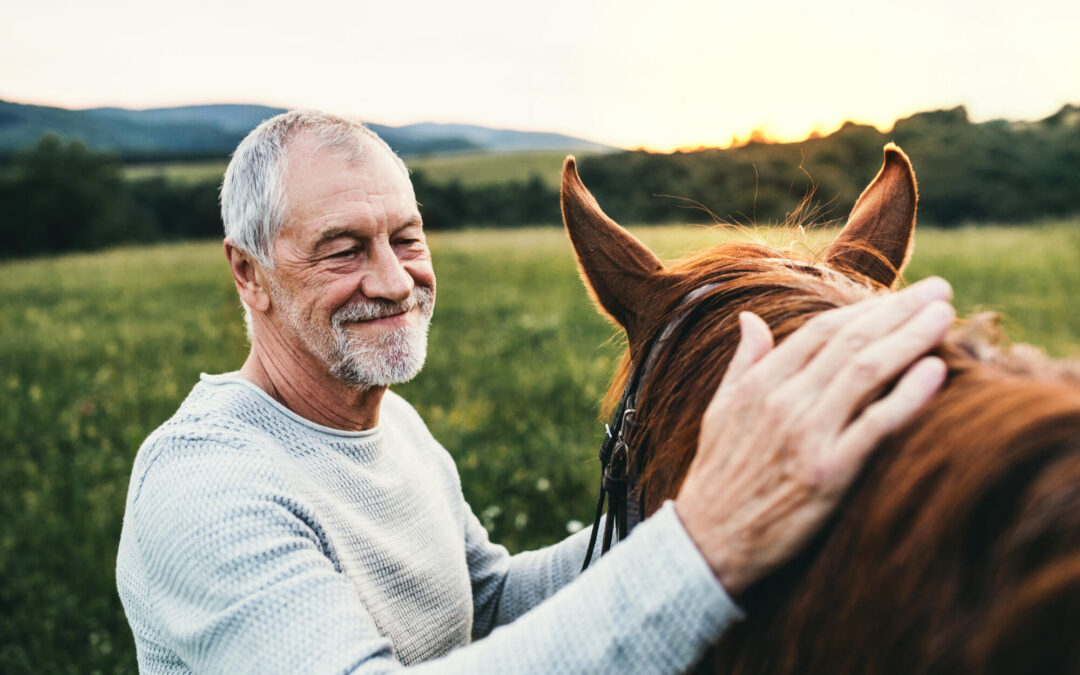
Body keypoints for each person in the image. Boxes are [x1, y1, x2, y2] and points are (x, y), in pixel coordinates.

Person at [116, 110, 955, 673]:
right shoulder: (207, 489)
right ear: (247, 272)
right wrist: (703, 544)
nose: (392, 278)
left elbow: (487, 605)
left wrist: (688, 499)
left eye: (406, 237)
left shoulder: (393, 428)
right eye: (341, 248)